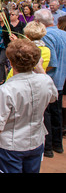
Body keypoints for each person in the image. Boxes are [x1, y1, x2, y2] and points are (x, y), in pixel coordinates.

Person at [0, 38, 58, 173]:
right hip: (36, 141)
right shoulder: (45, 80)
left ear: (10, 62)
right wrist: (40, 69)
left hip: (12, 146)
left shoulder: (6, 90)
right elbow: (53, 97)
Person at [34, 9, 66, 158]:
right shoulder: (63, 34)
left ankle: (47, 147)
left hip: (50, 80)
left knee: (46, 113)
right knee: (56, 112)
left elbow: (51, 62)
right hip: (60, 81)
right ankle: (57, 144)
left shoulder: (46, 36)